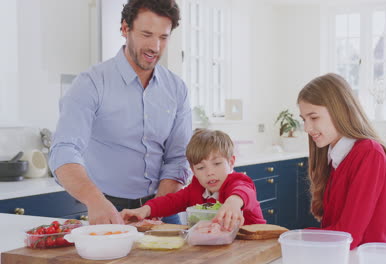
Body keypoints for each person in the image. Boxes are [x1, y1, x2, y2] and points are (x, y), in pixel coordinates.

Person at [48, 0, 192, 225]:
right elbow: (64, 150)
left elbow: (177, 158)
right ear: (125, 29)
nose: (155, 46)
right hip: (107, 208)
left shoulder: (176, 89)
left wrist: (155, 210)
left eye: (163, 37)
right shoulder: (91, 83)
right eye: (146, 34)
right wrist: (95, 201)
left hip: (162, 206)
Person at [297, 73, 386, 249]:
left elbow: (347, 236)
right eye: (304, 120)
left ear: (340, 111)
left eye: (314, 117)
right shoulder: (334, 158)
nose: (307, 128)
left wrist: (295, 236)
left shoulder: (369, 153)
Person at [120, 129, 266, 231]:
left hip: (254, 243)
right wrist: (144, 210)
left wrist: (233, 203)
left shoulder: (237, 181)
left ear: (231, 162)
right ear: (193, 169)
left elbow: (244, 191)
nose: (210, 173)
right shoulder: (195, 189)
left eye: (217, 164)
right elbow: (171, 201)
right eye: (201, 168)